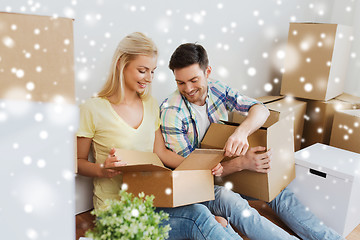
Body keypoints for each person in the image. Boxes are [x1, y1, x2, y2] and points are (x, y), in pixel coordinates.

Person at [160, 43, 344, 240]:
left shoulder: (215, 88)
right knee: (235, 203)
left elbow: (260, 109)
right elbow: (193, 173)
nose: (188, 89)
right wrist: (241, 163)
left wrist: (241, 132)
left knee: (278, 191)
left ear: (208, 72)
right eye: (180, 83)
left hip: (224, 169)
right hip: (197, 186)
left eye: (193, 80)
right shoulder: (173, 112)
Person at [76, 32, 242, 239]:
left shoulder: (151, 105)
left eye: (152, 71)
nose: (149, 78)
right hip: (116, 210)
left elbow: (160, 152)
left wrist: (201, 168)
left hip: (150, 200)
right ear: (121, 64)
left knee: (214, 219)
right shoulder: (92, 108)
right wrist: (103, 170)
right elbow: (78, 162)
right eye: (142, 70)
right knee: (200, 219)